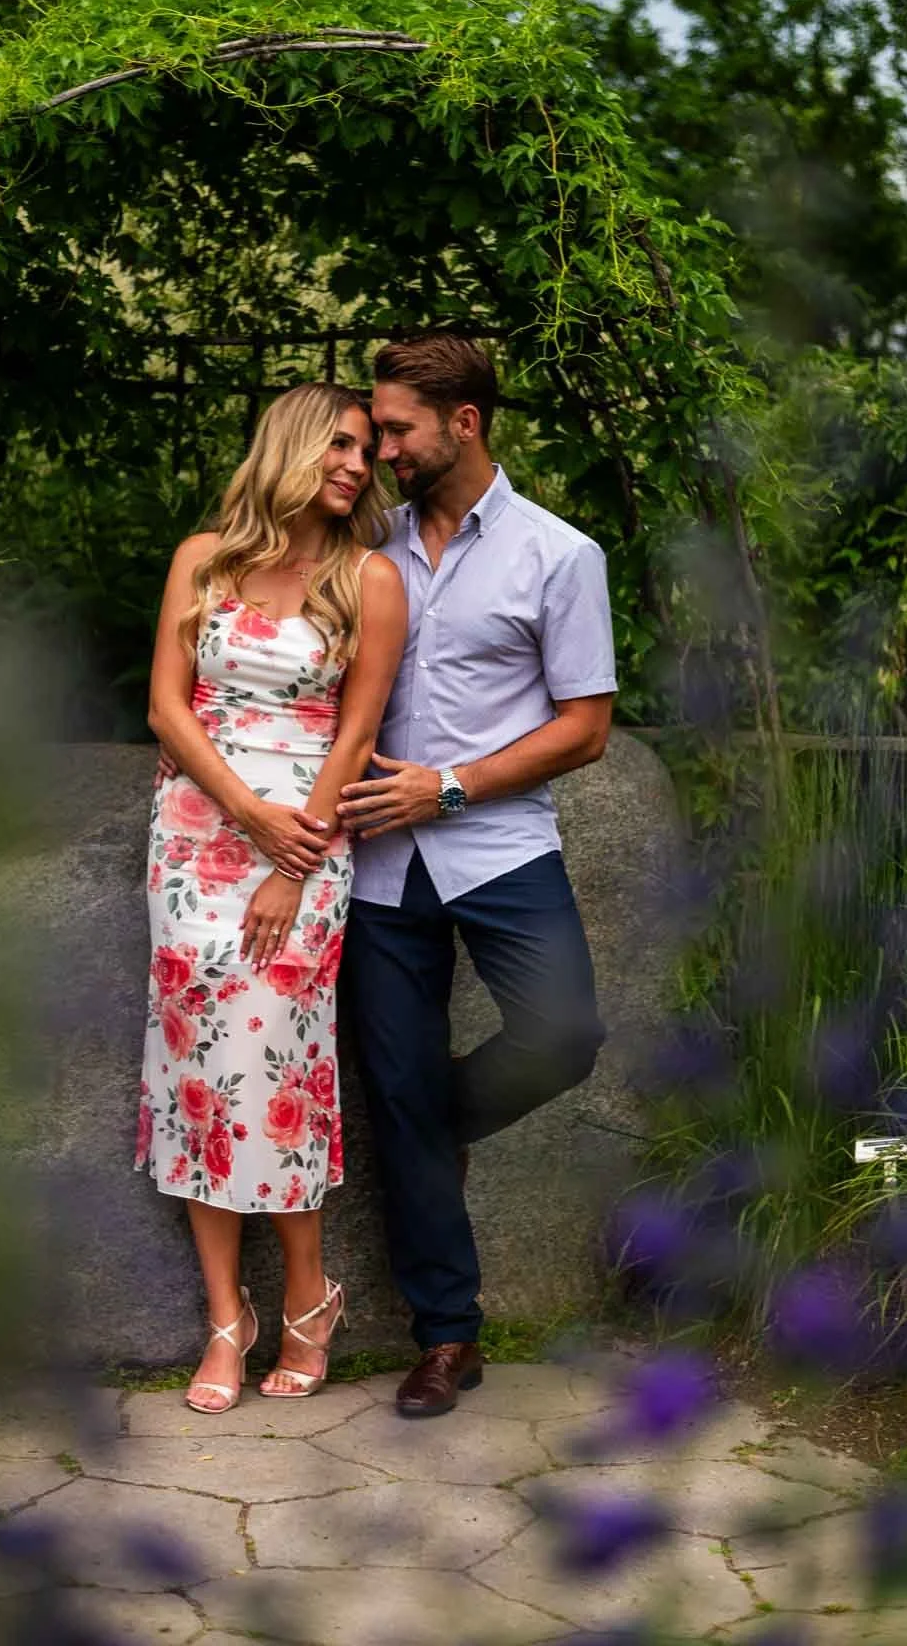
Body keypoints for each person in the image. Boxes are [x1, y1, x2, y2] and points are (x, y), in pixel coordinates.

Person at [337, 335, 615, 1419]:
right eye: (376, 427)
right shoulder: (366, 547)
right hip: (372, 864)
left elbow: (585, 728)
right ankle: (447, 1335)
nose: (380, 448)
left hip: (497, 847)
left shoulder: (558, 554)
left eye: (396, 428)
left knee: (562, 1035)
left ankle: (429, 1123)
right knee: (394, 1088)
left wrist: (444, 788)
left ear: (464, 421)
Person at [139, 383, 407, 1414]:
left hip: (303, 841)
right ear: (290, 445)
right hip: (199, 834)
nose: (357, 462)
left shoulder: (368, 580)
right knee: (195, 1074)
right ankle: (225, 1320)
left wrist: (290, 861)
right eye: (338, 443)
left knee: (276, 1070)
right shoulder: (202, 561)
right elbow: (166, 706)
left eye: (365, 450)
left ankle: (306, 1291)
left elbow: (355, 733)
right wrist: (242, 811)